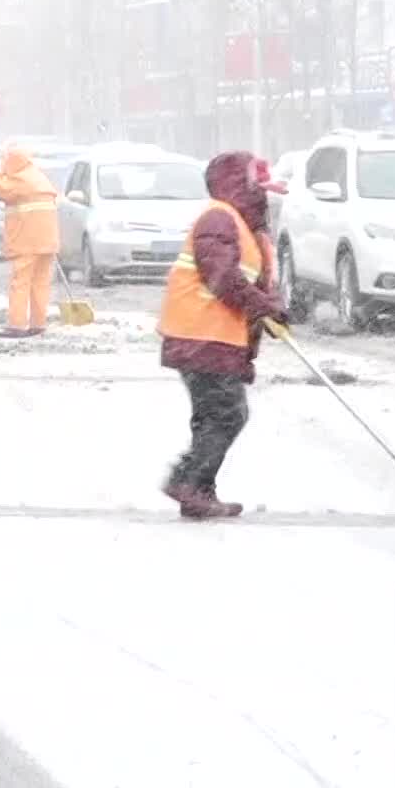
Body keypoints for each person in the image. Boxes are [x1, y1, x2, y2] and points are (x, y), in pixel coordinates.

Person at [157, 150, 289, 520]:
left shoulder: (244, 227)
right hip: (200, 335)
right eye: (259, 190)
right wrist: (260, 304)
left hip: (211, 337)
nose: (266, 199)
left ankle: (197, 490)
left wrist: (271, 307)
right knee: (228, 414)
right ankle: (189, 481)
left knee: (214, 415)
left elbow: (251, 279)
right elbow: (223, 277)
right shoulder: (219, 218)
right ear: (241, 188)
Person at [0, 146, 60, 339]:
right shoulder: (38, 177)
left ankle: (17, 325)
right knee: (40, 283)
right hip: (47, 242)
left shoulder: (20, 180)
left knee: (20, 282)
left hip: (28, 241)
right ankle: (38, 324)